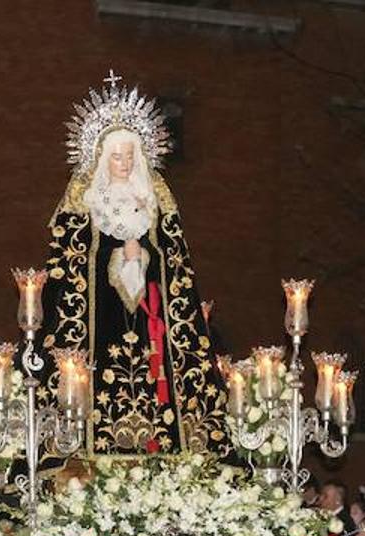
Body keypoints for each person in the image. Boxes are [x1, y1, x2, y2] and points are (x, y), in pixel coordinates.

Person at [40, 77, 226, 455]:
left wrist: (141, 256)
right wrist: (113, 254)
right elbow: (67, 269)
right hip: (97, 321)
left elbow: (176, 264)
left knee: (155, 379)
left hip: (150, 319)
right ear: (101, 158)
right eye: (116, 156)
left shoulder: (156, 199)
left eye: (130, 155)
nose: (124, 164)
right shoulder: (84, 199)